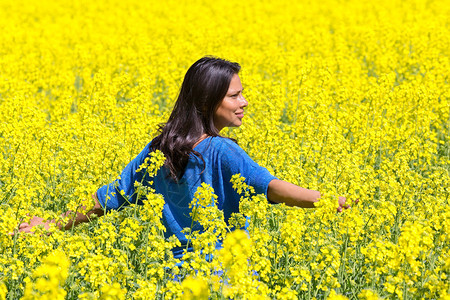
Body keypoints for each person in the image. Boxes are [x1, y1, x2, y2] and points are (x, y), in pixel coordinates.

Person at [17, 56, 350, 258]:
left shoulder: (159, 149)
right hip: (223, 277)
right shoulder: (222, 151)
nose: (244, 102)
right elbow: (271, 188)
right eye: (235, 95)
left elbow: (107, 199)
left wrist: (48, 226)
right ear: (207, 102)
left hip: (174, 278)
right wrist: (325, 201)